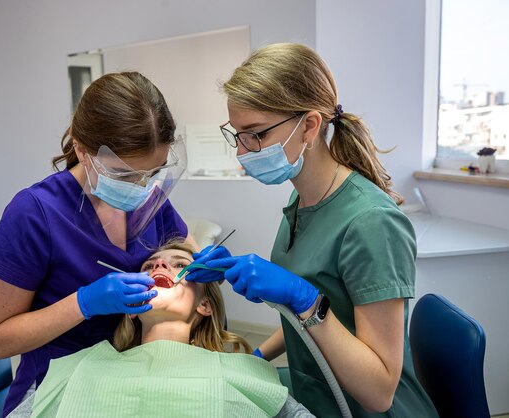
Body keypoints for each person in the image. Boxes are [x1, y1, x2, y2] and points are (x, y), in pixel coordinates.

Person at [186, 43, 438, 417]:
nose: (242, 152)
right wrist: (256, 357)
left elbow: (380, 391)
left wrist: (306, 300)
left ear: (309, 125)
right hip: (317, 388)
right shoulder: (302, 199)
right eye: (236, 134)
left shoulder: (371, 222)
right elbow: (305, 322)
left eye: (255, 134)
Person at [0, 72, 197, 417]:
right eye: (123, 175)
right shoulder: (35, 213)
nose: (141, 187)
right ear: (81, 149)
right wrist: (82, 304)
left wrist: (207, 267)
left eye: (151, 173)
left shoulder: (151, 199)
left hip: (136, 373)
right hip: (60, 385)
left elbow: (190, 260)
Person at [6, 240, 315, 418]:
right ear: (128, 308)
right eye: (148, 267)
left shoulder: (243, 372)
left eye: (179, 264)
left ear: (204, 306)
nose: (159, 268)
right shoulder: (75, 368)